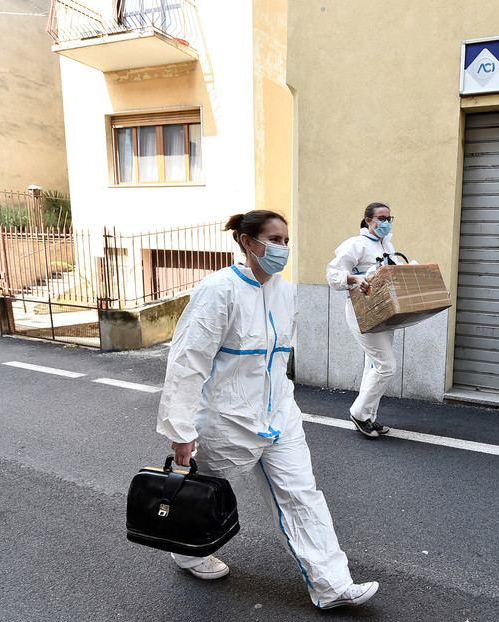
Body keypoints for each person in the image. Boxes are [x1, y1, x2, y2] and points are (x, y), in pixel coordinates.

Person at [156, 210, 378, 609]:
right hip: (227, 418)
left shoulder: (285, 291)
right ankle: (187, 552)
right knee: (204, 493)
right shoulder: (219, 290)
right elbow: (188, 361)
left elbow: (278, 358)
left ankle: (332, 585)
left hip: (279, 414)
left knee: (302, 494)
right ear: (247, 241)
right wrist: (181, 429)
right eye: (274, 240)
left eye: (286, 241)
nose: (282, 248)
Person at [326, 201, 401, 438]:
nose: (385, 223)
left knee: (373, 365)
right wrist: (355, 279)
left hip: (385, 311)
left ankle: (369, 417)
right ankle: (359, 413)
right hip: (363, 311)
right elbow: (333, 274)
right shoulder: (355, 245)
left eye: (389, 218)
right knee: (386, 366)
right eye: (381, 218)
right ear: (368, 220)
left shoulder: (387, 245)